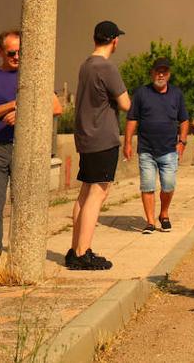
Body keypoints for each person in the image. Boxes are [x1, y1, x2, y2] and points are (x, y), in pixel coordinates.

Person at [0, 29, 63, 270]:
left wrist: (24, 113)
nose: (17, 56)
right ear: (0, 51)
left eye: (22, 51)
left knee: (27, 206)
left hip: (28, 149)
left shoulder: (35, 76)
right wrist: (11, 105)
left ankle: (25, 260)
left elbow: (56, 108)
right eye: (12, 52)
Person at [68, 21, 131, 271]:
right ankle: (83, 253)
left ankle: (75, 249)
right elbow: (125, 103)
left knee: (85, 193)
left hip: (85, 137)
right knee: (98, 193)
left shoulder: (86, 65)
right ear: (114, 40)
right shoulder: (107, 67)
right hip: (103, 138)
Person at [123, 57, 189, 234]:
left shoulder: (177, 94)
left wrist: (182, 142)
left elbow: (184, 120)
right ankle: (150, 222)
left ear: (169, 74)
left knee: (168, 185)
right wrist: (127, 143)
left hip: (169, 150)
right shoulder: (141, 94)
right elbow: (132, 119)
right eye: (157, 71)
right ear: (152, 73)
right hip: (146, 150)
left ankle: (164, 214)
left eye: (164, 71)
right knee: (147, 186)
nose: (161, 74)